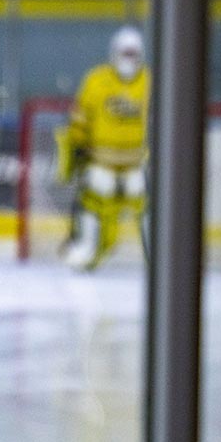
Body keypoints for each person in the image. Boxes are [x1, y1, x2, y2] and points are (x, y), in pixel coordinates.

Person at [59, 25, 149, 271]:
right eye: (125, 53)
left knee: (148, 204)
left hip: (136, 164)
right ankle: (88, 249)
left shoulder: (150, 82)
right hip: (101, 162)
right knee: (94, 199)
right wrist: (77, 144)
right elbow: (81, 116)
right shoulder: (96, 80)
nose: (128, 60)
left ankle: (158, 256)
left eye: (133, 54)